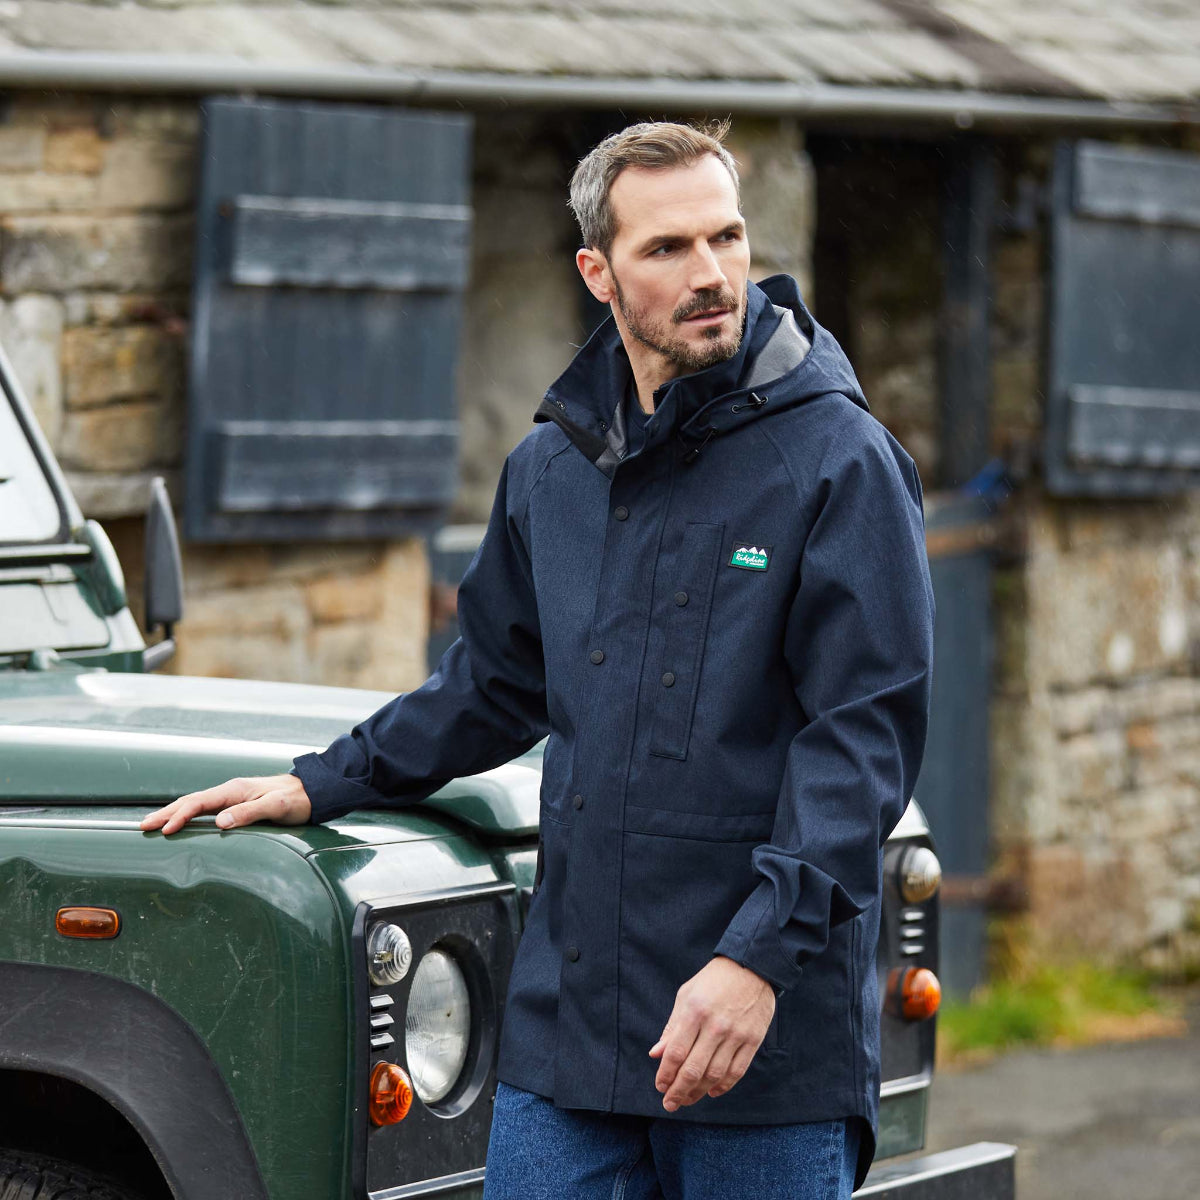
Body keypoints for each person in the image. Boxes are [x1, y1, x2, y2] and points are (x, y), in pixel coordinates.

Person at [142, 119, 935, 1200]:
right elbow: (491, 686)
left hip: (761, 1045)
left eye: (726, 238)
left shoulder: (840, 461)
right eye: (667, 249)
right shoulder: (552, 469)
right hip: (574, 1043)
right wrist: (318, 780)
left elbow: (863, 742)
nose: (711, 276)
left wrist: (756, 962)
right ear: (597, 272)